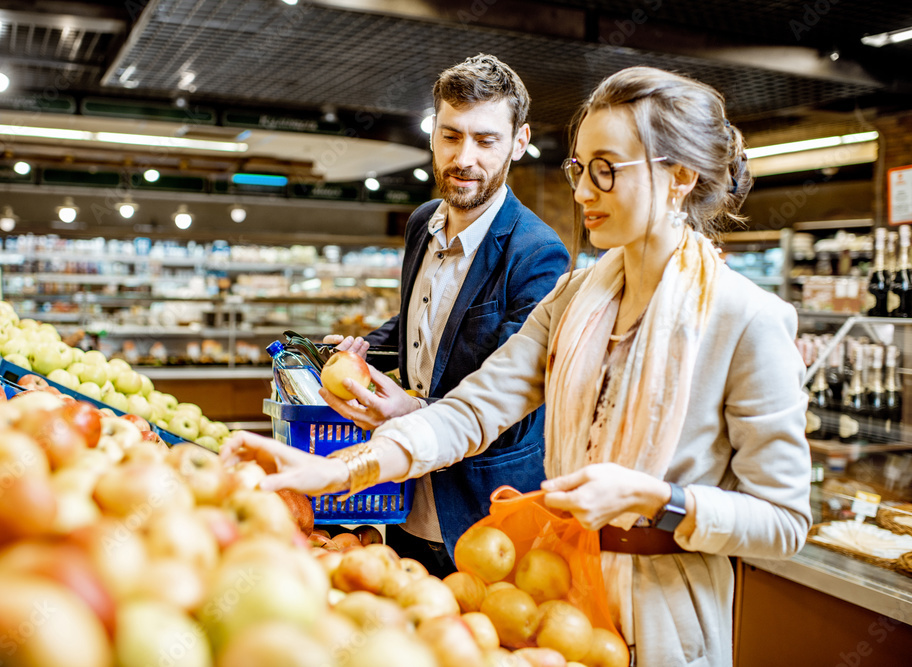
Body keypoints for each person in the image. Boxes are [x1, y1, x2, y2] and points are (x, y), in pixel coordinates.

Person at [225, 66, 812, 665]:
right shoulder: (574, 300)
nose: (583, 194)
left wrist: (657, 499)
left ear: (679, 176)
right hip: (553, 593)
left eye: (606, 170)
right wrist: (336, 472)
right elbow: (473, 409)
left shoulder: (747, 321)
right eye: (579, 169)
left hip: (664, 616)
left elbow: (786, 521)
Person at [320, 54, 570, 573]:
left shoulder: (537, 254)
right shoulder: (420, 224)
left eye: (486, 140)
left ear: (519, 142)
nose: (465, 157)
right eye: (451, 136)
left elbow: (517, 406)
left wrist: (412, 412)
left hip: (483, 516)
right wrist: (361, 350)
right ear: (433, 133)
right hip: (407, 499)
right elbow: (420, 323)